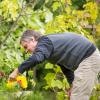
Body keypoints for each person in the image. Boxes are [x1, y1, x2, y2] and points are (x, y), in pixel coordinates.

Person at [9, 30, 100, 100]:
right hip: (89, 58)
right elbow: (65, 66)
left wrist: (17, 71)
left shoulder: (44, 42)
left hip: (89, 57)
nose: (26, 51)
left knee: (78, 97)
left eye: (26, 46)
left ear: (33, 39)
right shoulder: (48, 46)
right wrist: (72, 85)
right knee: (76, 95)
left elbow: (37, 58)